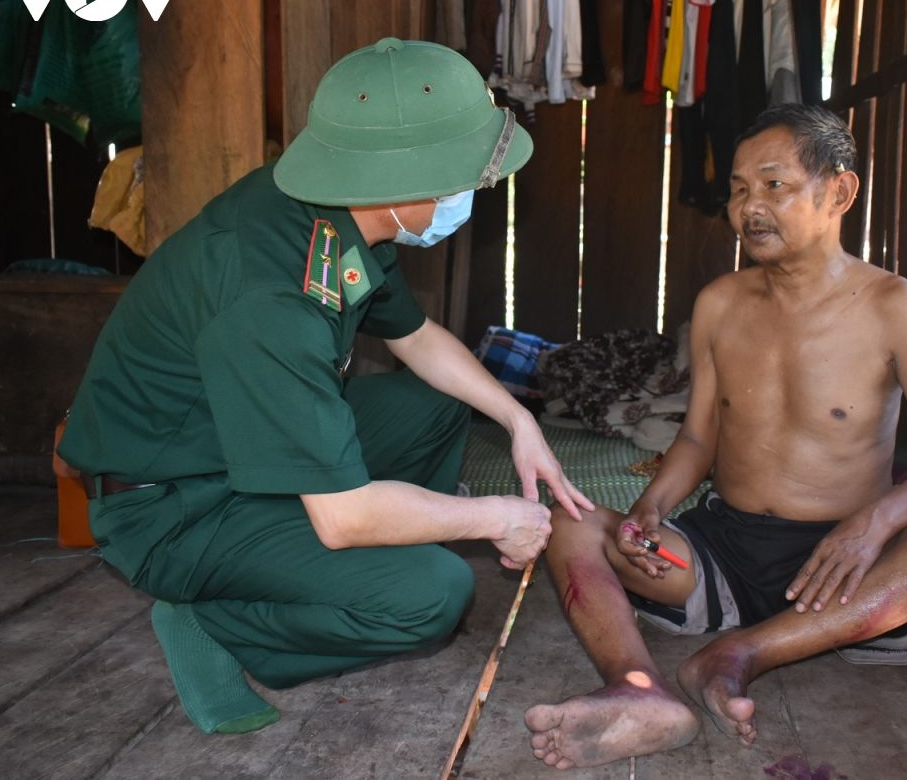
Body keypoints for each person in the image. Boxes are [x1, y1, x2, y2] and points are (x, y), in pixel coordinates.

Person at [58, 37, 594, 735]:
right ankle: (219, 618)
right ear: (402, 182)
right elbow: (344, 518)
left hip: (230, 447)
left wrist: (518, 420)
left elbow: (415, 336)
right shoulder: (270, 296)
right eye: (464, 177)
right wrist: (495, 518)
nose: (476, 191)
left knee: (438, 408)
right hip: (170, 508)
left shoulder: (339, 214)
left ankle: (358, 557)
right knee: (432, 596)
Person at [524, 104, 907, 769]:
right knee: (572, 525)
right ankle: (637, 689)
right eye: (738, 189)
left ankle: (739, 654)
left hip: (845, 572)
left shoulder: (894, 306)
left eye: (773, 185)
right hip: (718, 556)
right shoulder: (720, 303)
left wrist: (875, 523)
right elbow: (698, 439)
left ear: (837, 191)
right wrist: (653, 507)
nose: (749, 207)